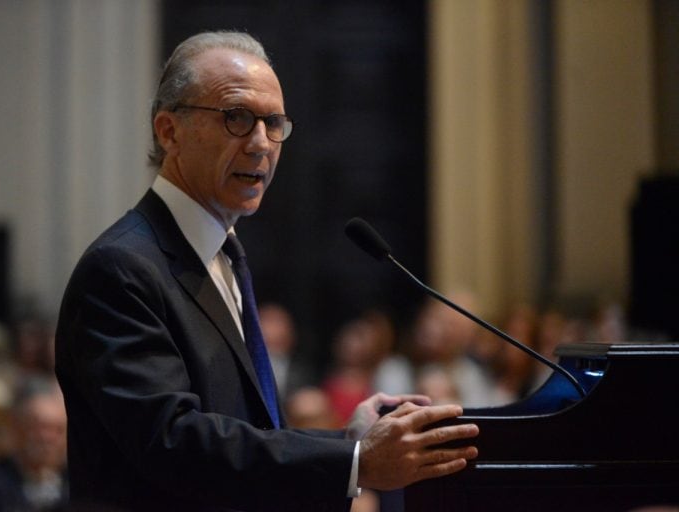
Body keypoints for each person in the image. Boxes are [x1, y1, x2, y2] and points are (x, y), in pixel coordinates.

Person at [54, 30, 478, 511]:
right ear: (168, 131)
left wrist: (348, 439)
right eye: (237, 118)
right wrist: (355, 460)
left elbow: (239, 432)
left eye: (273, 123)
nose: (261, 144)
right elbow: (174, 443)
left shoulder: (221, 254)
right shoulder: (122, 268)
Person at [0, 376, 68, 512]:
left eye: (57, 429)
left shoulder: (80, 484)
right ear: (15, 426)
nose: (46, 438)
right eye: (37, 427)